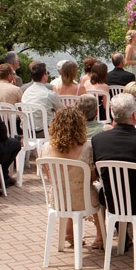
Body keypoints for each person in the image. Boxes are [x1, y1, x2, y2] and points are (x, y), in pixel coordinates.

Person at [93, 93, 136, 224]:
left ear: (113, 115)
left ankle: (122, 237)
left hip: (114, 202)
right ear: (133, 116)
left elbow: (99, 174)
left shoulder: (99, 140)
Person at [39, 106, 103, 249]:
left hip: (59, 200)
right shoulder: (87, 148)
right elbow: (92, 178)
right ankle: (100, 236)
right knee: (98, 193)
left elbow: (50, 176)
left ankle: (69, 233)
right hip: (84, 200)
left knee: (67, 187)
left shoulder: (46, 147)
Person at [20, 62, 62, 139]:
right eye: (47, 73)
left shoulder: (26, 92)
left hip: (27, 131)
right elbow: (62, 111)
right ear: (44, 76)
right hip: (44, 132)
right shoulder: (49, 94)